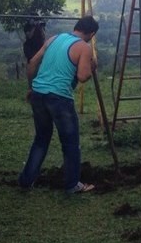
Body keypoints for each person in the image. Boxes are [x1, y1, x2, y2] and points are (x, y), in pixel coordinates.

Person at [18, 16, 99, 194]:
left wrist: (31, 88)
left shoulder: (54, 39)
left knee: (41, 140)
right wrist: (91, 67)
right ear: (91, 34)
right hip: (59, 98)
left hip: (38, 94)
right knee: (70, 143)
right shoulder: (83, 47)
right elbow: (82, 76)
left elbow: (32, 64)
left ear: (76, 27)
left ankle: (26, 181)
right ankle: (72, 185)